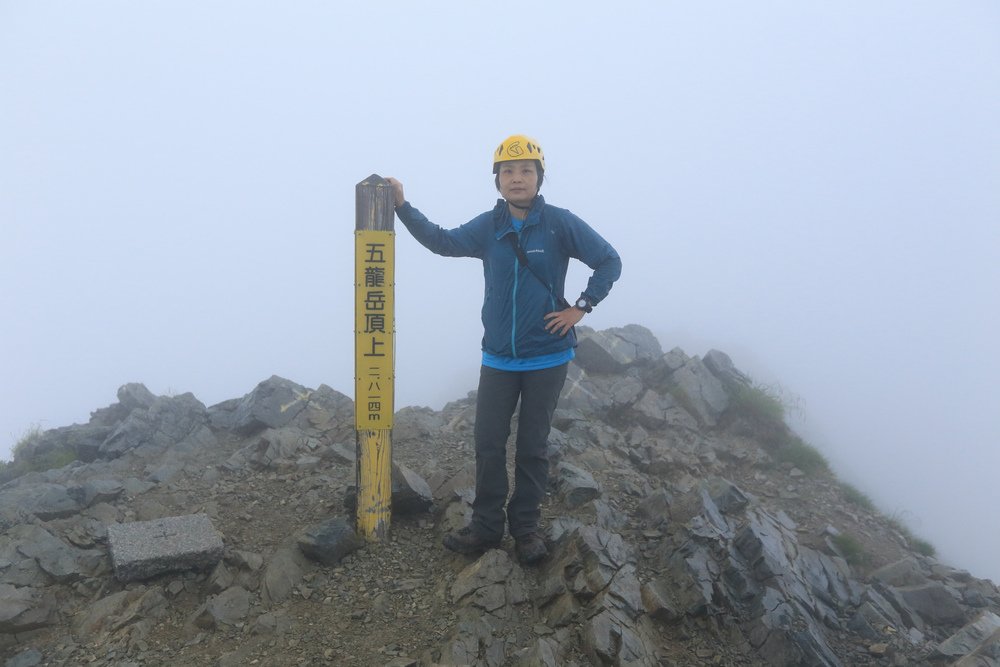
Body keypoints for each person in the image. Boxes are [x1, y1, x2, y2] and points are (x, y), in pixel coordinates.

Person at [386, 134, 621, 564]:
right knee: (489, 444)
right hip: (497, 358)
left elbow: (610, 260)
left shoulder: (559, 223)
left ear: (539, 177)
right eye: (508, 171)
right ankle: (487, 528)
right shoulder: (489, 227)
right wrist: (402, 206)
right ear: (497, 181)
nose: (517, 178)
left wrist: (581, 308)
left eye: (526, 170)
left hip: (547, 357)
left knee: (532, 447)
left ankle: (526, 530)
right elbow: (442, 241)